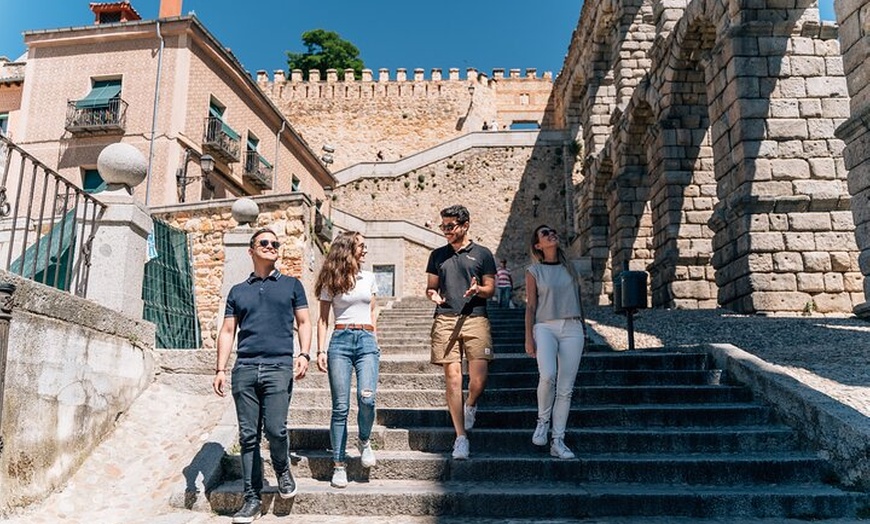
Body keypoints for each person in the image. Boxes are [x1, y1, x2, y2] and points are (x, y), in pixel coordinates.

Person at [213, 228, 312, 524]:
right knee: (248, 436)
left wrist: (304, 353)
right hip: (244, 368)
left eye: (275, 243)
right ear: (251, 250)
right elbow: (228, 331)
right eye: (264, 243)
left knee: (276, 430)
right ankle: (251, 498)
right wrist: (220, 368)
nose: (271, 246)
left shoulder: (292, 285)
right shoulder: (238, 291)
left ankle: (282, 469)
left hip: (278, 366)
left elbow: (304, 322)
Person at [425, 204, 496, 460]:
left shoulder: (484, 254)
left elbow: (491, 289)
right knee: (453, 378)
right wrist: (433, 294)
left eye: (450, 226)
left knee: (478, 380)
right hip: (445, 319)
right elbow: (431, 287)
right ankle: (461, 438)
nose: (445, 231)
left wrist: (479, 290)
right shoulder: (437, 255)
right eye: (443, 226)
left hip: (475, 318)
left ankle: (471, 404)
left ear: (465, 225)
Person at [315, 231, 380, 489]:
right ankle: (339, 464)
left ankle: (364, 440)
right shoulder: (331, 279)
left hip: (366, 341)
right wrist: (320, 351)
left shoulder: (369, 277)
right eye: (361, 246)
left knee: (367, 398)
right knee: (340, 407)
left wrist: (374, 337)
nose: (365, 249)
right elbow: (322, 319)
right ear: (347, 249)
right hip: (340, 342)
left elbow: (373, 309)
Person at [524, 225, 585, 460]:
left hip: (572, 327)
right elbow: (530, 306)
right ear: (538, 245)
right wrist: (528, 337)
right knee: (548, 375)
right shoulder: (534, 271)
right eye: (544, 233)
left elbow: (579, 300)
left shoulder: (571, 269)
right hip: (544, 326)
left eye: (552, 231)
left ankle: (558, 441)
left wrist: (584, 330)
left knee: (566, 389)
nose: (551, 234)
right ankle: (542, 421)